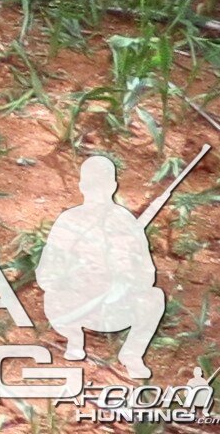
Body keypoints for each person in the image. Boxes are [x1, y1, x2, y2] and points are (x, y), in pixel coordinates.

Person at [40, 153, 167, 381]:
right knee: (52, 298)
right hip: (75, 305)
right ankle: (75, 340)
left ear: (113, 186)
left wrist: (126, 274)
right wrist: (80, 275)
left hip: (116, 305)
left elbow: (148, 274)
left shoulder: (126, 222)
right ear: (81, 186)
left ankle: (131, 355)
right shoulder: (69, 221)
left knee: (154, 297)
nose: (96, 191)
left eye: (102, 185)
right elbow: (46, 275)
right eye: (91, 185)